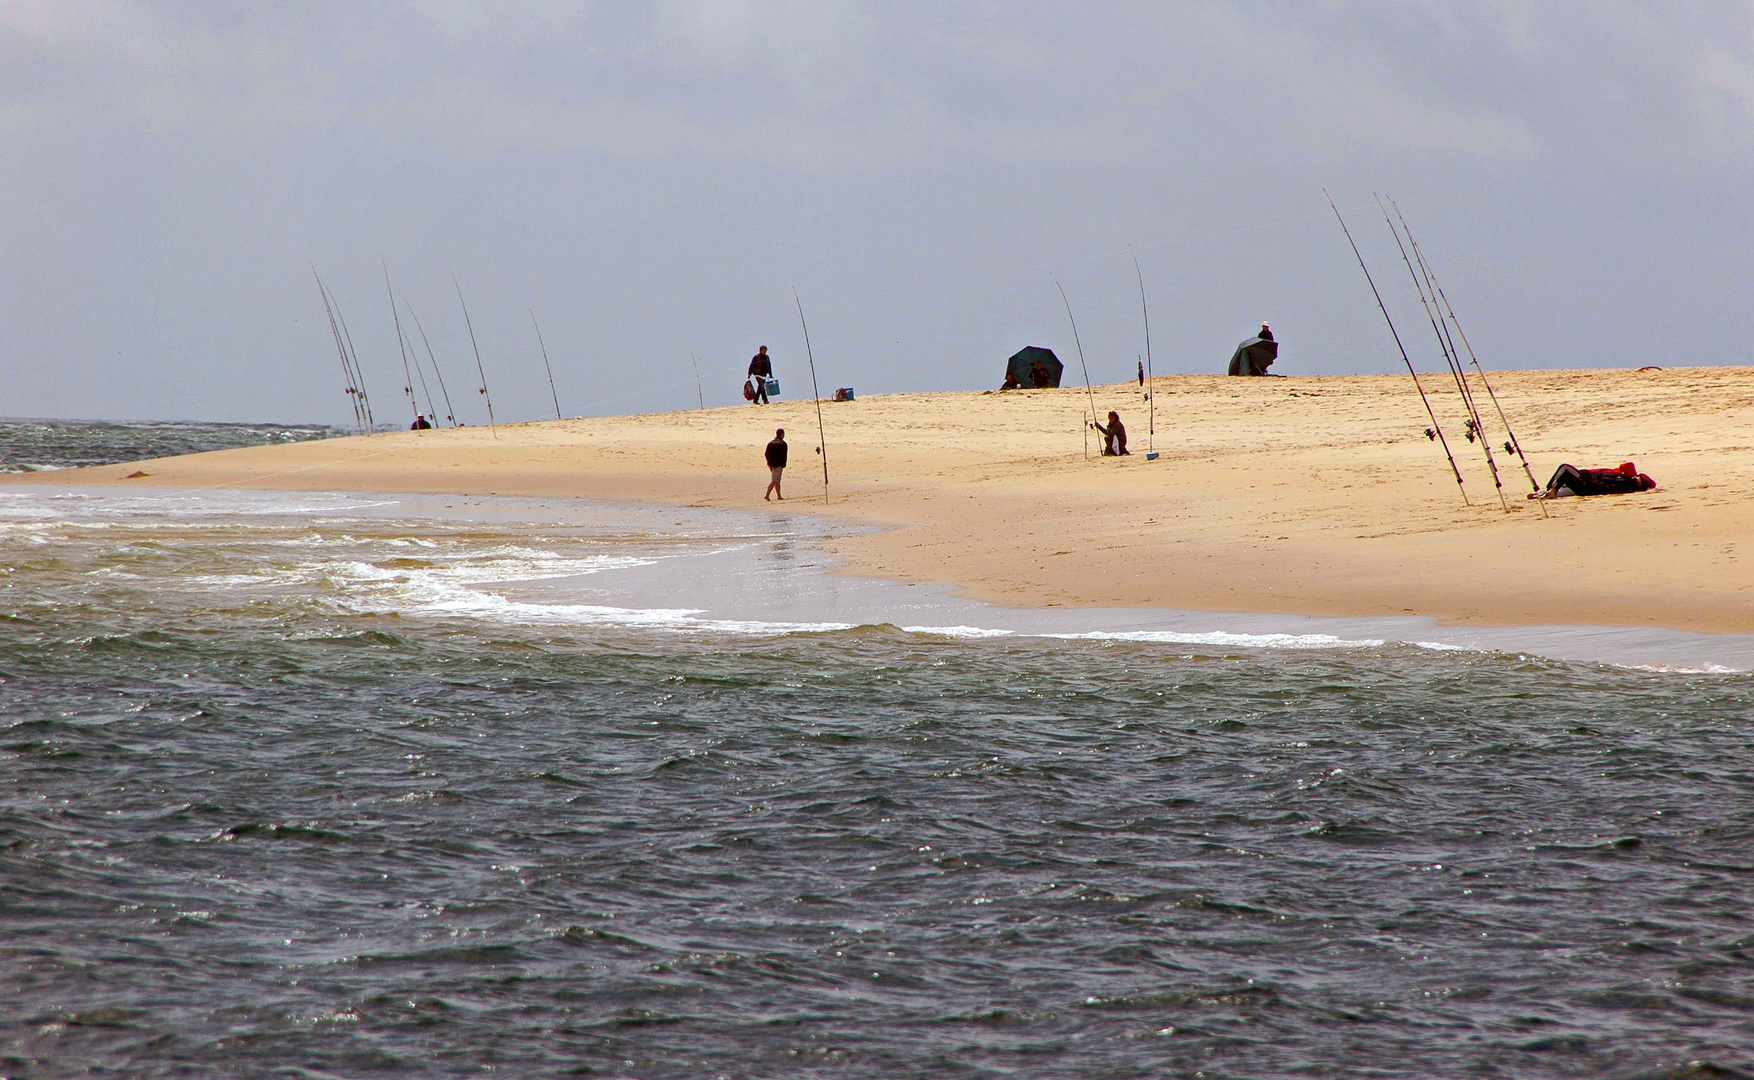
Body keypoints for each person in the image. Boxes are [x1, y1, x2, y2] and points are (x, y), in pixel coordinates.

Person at [1533, 461, 1655, 499]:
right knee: (1565, 475)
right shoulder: (1626, 482)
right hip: (1587, 484)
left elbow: (1606, 485)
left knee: (1565, 469)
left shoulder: (1625, 482)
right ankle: (1548, 492)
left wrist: (1593, 481)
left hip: (1587, 485)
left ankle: (1550, 491)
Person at [764, 428, 787, 501]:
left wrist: (768, 462)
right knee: (775, 480)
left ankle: (779, 496)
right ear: (782, 434)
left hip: (771, 464)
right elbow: (784, 455)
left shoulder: (770, 443)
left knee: (777, 480)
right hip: (778, 464)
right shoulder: (783, 444)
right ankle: (767, 495)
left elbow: (766, 454)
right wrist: (783, 464)